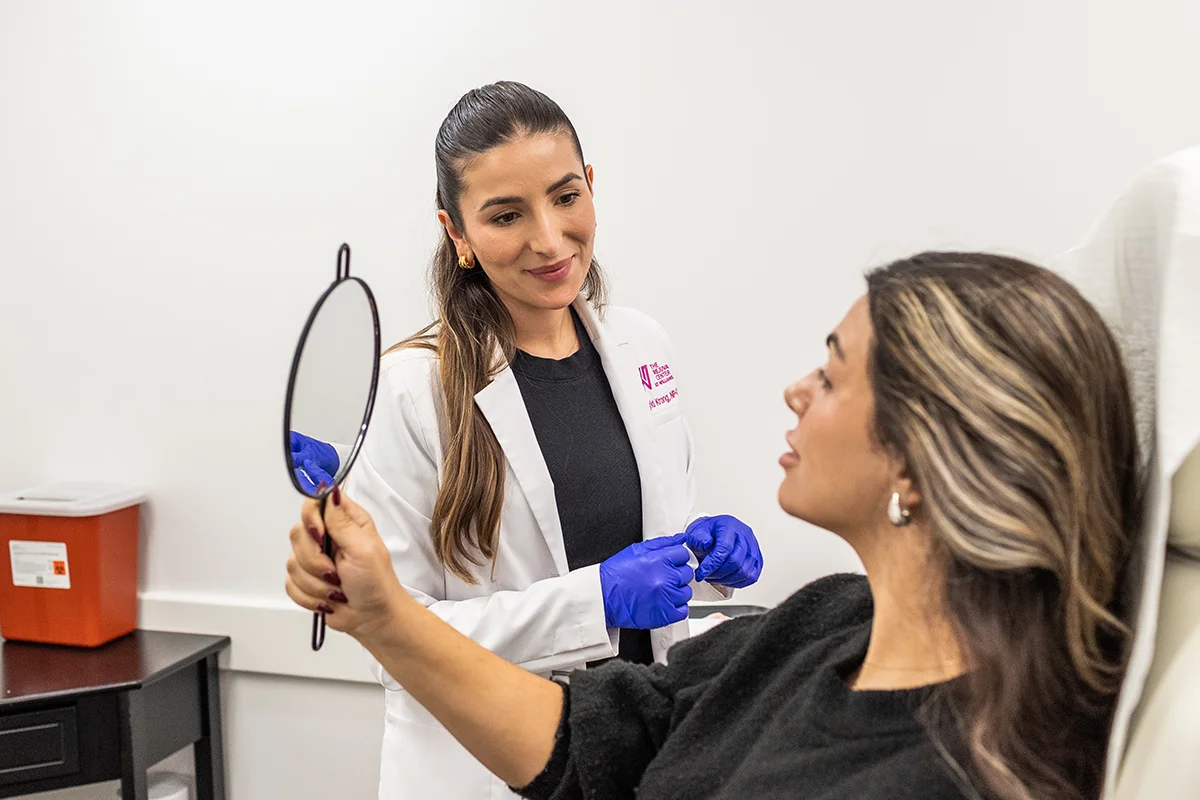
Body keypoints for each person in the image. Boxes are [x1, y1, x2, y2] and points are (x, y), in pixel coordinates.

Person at [287, 252, 1144, 800]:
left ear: (919, 464)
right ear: (460, 233)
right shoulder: (825, 620)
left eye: (833, 376)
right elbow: (606, 741)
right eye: (508, 215)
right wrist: (386, 615)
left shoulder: (935, 769)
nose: (795, 391)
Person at [324, 81, 761, 799]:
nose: (550, 240)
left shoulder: (640, 343)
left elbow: (648, 542)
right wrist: (598, 602)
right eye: (505, 215)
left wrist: (704, 553)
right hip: (490, 768)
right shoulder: (410, 390)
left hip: (638, 751)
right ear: (456, 232)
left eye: (565, 197)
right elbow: (396, 637)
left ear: (591, 186)